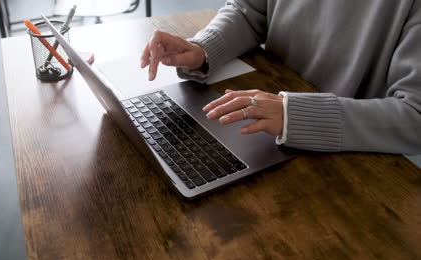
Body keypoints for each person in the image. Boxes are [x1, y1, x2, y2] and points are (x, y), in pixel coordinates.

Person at [140, 0, 421, 154]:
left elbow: (414, 117)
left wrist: (293, 115)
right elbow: (249, 11)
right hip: (261, 120)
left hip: (342, 155)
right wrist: (203, 48)